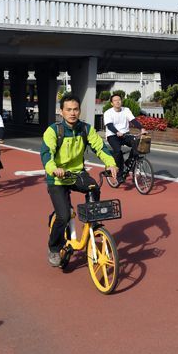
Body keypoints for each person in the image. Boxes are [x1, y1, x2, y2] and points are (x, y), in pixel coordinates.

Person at [41, 94, 118, 267]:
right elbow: (47, 154)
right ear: (61, 112)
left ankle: (91, 225)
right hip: (58, 177)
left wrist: (111, 164)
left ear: (79, 111)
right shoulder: (53, 131)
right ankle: (54, 247)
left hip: (77, 174)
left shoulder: (86, 129)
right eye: (68, 109)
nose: (72, 113)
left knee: (93, 187)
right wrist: (54, 169)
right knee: (64, 216)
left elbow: (100, 147)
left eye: (75, 109)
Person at [103, 93, 146, 177]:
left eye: (119, 100)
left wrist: (142, 128)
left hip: (125, 135)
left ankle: (129, 161)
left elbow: (133, 120)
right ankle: (119, 173)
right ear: (112, 103)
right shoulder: (108, 113)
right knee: (118, 151)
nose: (117, 102)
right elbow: (109, 125)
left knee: (137, 142)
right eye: (115, 101)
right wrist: (117, 132)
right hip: (112, 136)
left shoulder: (126, 110)